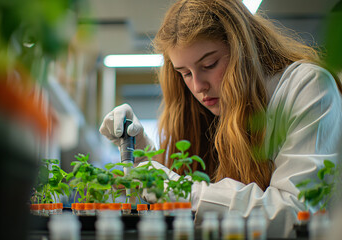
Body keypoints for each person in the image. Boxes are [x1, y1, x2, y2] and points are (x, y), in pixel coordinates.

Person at [99, 0, 342, 237]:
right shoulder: (211, 109)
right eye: (185, 73)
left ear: (242, 49)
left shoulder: (309, 88)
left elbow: (294, 212)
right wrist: (142, 156)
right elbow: (198, 197)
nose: (198, 86)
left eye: (209, 64)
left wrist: (176, 190)